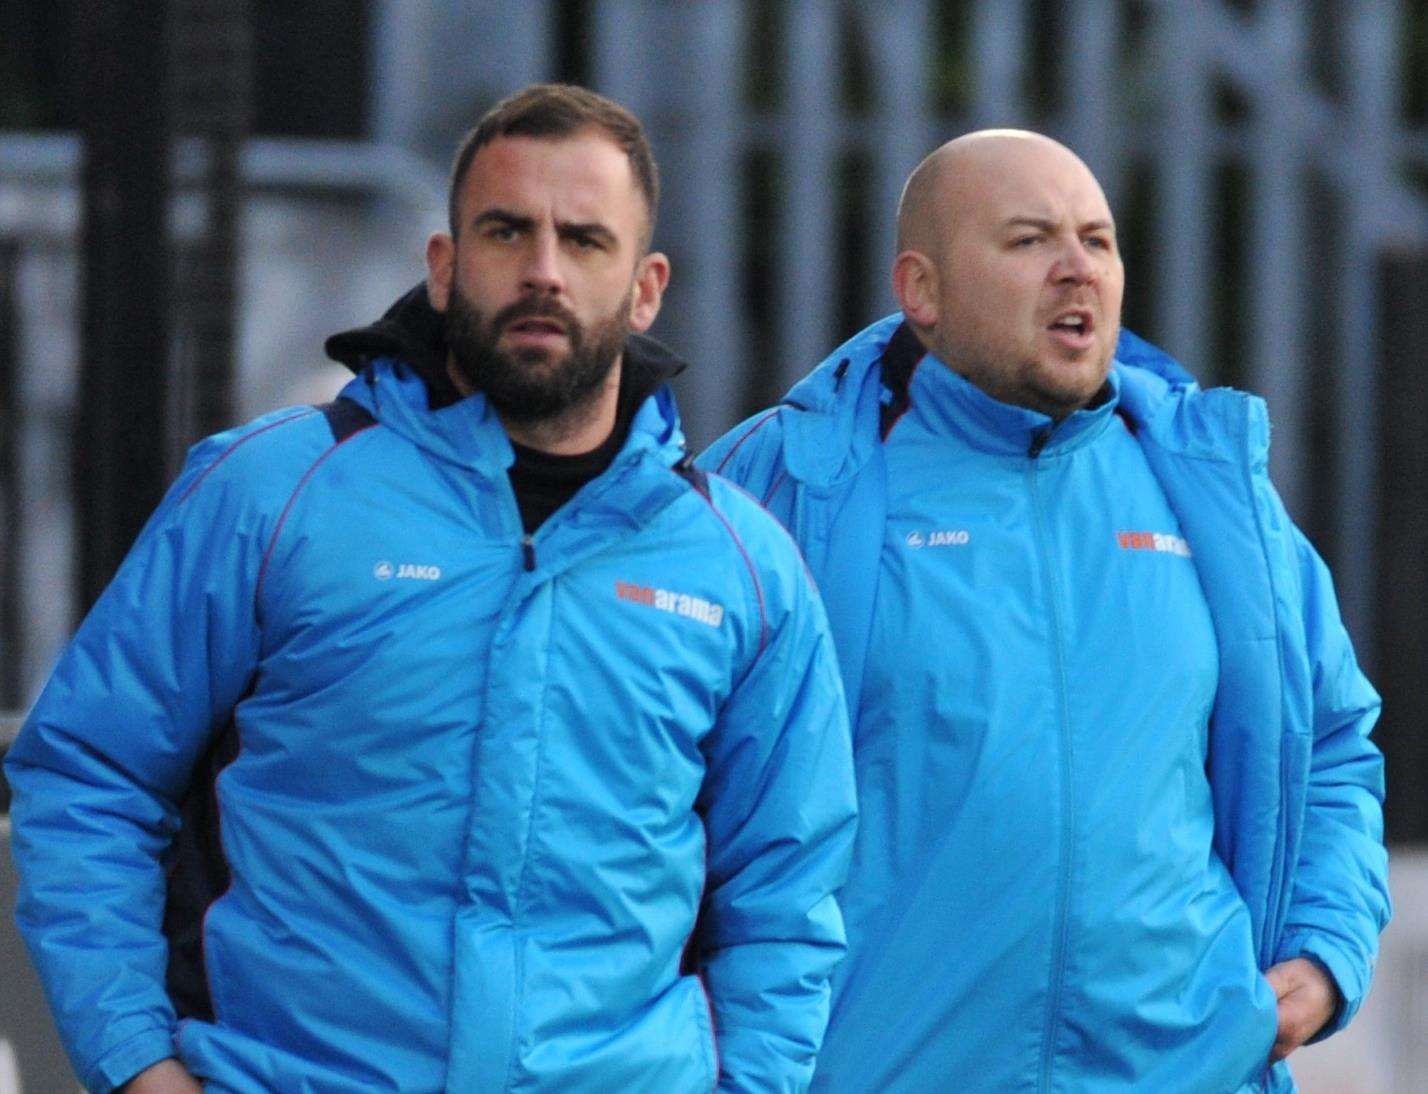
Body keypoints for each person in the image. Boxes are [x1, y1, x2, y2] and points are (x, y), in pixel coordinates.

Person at [7, 84, 856, 1093]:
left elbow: (786, 894)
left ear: (645, 287)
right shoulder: (270, 492)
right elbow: (88, 776)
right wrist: (139, 1063)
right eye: (508, 231)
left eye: (585, 240)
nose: (543, 270)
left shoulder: (741, 565)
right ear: (445, 266)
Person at [702, 130, 1390, 1093]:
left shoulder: (1213, 489)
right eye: (1029, 241)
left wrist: (1325, 952)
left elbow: (1333, 746)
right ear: (922, 290)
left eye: (1098, 241)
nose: (1077, 269)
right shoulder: (784, 485)